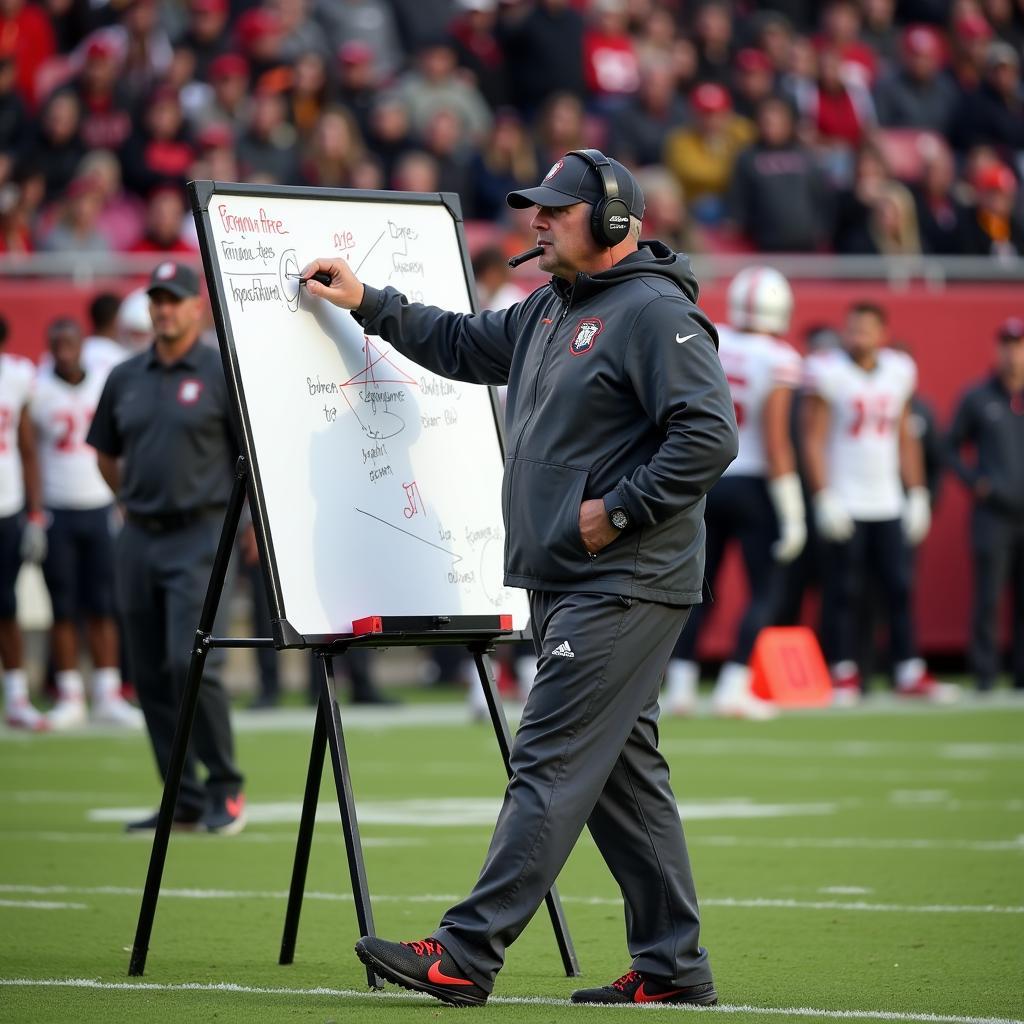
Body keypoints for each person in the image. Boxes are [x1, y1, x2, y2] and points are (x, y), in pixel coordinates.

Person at [301, 148, 737, 1008]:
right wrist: (370, 304)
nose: (537, 222)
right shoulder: (549, 308)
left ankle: (465, 954)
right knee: (621, 776)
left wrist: (618, 510)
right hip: (576, 577)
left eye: (555, 210)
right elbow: (463, 344)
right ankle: (673, 965)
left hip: (623, 575)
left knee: (549, 760)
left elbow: (709, 434)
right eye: (536, 208)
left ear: (613, 223)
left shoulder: (652, 312)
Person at [86, 261, 246, 834]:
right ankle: (180, 797)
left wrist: (242, 529)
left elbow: (246, 457)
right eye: (157, 299)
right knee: (150, 672)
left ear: (195, 307)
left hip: (201, 534)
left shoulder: (220, 370)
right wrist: (127, 496)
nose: (164, 309)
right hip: (139, 536)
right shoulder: (125, 375)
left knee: (192, 662)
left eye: (174, 299)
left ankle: (226, 786)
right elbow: (104, 450)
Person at [665, 266, 804, 720]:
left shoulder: (712, 337)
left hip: (704, 478)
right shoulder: (779, 357)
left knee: (698, 587)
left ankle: (681, 687)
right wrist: (794, 510)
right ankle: (733, 687)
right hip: (754, 483)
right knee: (765, 588)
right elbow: (777, 439)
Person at [801, 301, 946, 704]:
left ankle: (908, 669)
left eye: (865, 329)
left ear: (882, 334)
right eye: (852, 328)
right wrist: (823, 495)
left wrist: (916, 492)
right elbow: (813, 438)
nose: (857, 336)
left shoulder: (899, 370)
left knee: (899, 587)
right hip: (846, 498)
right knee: (843, 590)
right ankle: (842, 669)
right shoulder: (828, 370)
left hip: (886, 498)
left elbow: (905, 435)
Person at [29, 318, 141, 730]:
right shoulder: (38, 390)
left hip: (99, 506)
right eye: (56, 343)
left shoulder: (102, 383)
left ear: (81, 345)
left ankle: (108, 693)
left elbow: (123, 443)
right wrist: (35, 512)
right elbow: (28, 451)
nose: (64, 350)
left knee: (103, 604)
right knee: (63, 607)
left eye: (70, 342)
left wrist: (121, 498)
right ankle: (71, 693)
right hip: (58, 510)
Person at [946, 316, 1024, 692]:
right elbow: (950, 446)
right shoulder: (978, 397)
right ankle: (985, 673)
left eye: (1019, 345)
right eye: (1007, 344)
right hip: (993, 513)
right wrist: (976, 481)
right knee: (989, 597)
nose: (1013, 353)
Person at [0, 314, 47, 730]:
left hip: (7, 504)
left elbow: (27, 447)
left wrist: (34, 511)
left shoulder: (15, 376)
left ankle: (15, 695)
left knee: (6, 604)